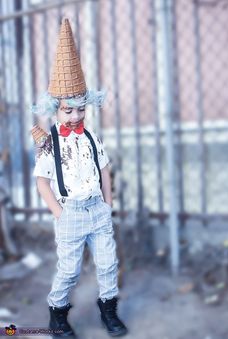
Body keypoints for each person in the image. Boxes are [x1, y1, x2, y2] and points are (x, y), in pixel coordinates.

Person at [31, 18, 128, 338]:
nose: (75, 116)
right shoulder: (49, 145)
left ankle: (109, 311)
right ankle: (57, 316)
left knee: (108, 263)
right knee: (69, 269)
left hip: (97, 210)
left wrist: (108, 203)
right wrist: (58, 212)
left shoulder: (91, 138)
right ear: (54, 111)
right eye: (68, 110)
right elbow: (42, 181)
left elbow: (104, 169)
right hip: (70, 212)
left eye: (80, 109)